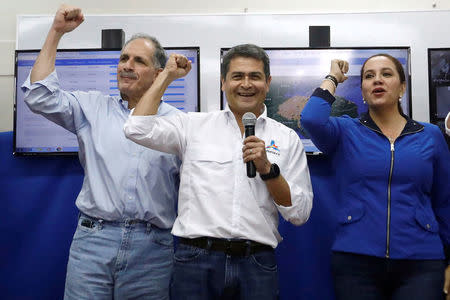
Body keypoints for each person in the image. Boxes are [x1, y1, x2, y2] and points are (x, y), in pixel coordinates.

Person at [124, 44, 313, 299]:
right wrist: (166, 75)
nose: (246, 84)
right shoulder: (194, 125)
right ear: (223, 82)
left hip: (256, 262)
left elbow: (299, 213)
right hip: (195, 261)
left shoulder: (287, 138)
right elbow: (136, 128)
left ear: (267, 83)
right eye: (237, 76)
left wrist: (268, 170)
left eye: (255, 76)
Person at [22, 5, 181, 300]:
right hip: (93, 242)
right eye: (123, 58)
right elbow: (38, 95)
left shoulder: (178, 124)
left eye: (138, 61)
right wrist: (56, 32)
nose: (126, 65)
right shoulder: (92, 108)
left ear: (159, 73)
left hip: (152, 250)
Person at [301, 55, 450, 300]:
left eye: (386, 74)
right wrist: (332, 78)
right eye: (369, 76)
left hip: (421, 261)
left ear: (402, 87)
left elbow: (445, 201)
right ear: (362, 91)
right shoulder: (346, 131)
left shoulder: (430, 135)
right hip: (355, 262)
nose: (377, 80)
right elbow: (311, 118)